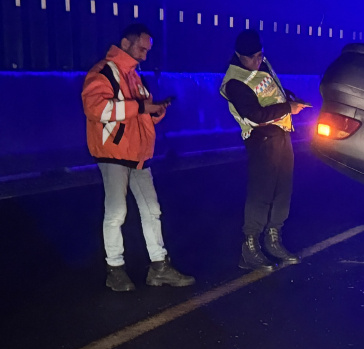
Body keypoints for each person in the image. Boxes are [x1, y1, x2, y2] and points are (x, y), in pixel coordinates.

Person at [82, 23, 195, 292]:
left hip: (138, 155)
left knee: (151, 211)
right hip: (113, 154)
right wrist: (144, 107)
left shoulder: (134, 76)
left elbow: (140, 113)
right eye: (142, 48)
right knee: (116, 213)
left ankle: (159, 267)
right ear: (125, 43)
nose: (145, 54)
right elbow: (95, 108)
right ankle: (115, 270)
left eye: (147, 50)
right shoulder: (103, 73)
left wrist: (156, 112)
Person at [220, 30, 308, 271]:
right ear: (239, 55)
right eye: (252, 58)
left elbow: (271, 92)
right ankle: (250, 248)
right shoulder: (235, 82)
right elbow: (255, 115)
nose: (257, 61)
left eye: (259, 55)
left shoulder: (262, 64)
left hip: (281, 135)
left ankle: (273, 241)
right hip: (260, 139)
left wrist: (289, 100)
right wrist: (287, 108)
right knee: (261, 193)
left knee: (282, 190)